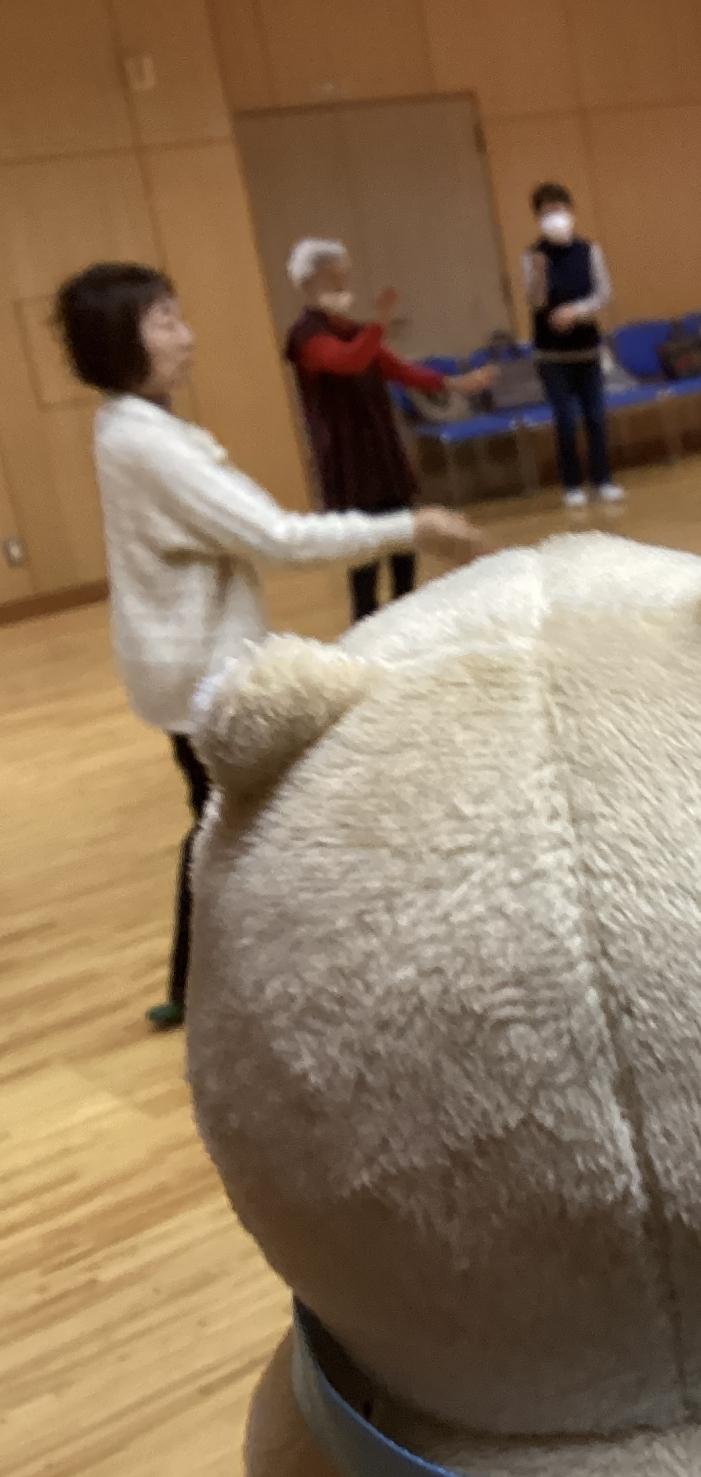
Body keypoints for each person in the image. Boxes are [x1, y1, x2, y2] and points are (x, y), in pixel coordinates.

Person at [55, 262, 488, 1030]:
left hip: (182, 663)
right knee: (256, 817)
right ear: (120, 342)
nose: (187, 336)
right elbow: (277, 537)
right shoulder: (145, 442)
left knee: (224, 820)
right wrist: (413, 526)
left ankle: (206, 982)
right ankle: (297, 976)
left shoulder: (129, 426)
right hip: (199, 669)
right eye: (165, 321)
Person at [285, 239, 498, 622]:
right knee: (363, 555)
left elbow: (398, 369)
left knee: (404, 544)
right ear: (307, 282)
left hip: (381, 452)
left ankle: (406, 618)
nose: (342, 284)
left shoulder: (354, 329)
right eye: (332, 277)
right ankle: (366, 627)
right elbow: (349, 361)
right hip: (347, 461)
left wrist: (454, 383)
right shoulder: (306, 336)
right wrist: (380, 323)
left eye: (344, 276)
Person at [521, 183, 623, 510]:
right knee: (565, 421)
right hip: (551, 354)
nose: (555, 217)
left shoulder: (589, 250)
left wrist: (576, 312)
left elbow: (603, 294)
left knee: (596, 418)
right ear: (538, 218)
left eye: (559, 209)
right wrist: (539, 276)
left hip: (587, 349)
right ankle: (572, 485)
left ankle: (603, 480)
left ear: (570, 211)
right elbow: (535, 302)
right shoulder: (532, 255)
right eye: (547, 212)